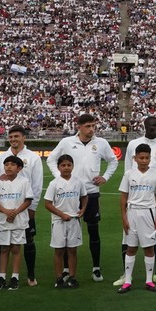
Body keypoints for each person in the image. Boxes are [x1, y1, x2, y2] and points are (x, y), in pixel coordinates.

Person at [48, 113, 117, 281]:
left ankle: (96, 268)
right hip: (71, 194)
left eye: (93, 126)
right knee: (66, 231)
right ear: (78, 126)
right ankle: (66, 269)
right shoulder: (67, 143)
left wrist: (105, 177)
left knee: (93, 230)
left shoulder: (101, 143)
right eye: (88, 126)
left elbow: (113, 161)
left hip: (91, 193)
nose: (91, 129)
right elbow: (51, 159)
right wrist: (60, 177)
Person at [0, 126, 44, 287]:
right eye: (11, 136)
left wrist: (33, 207)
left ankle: (30, 275)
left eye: (16, 136)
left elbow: (37, 185)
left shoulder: (33, 158)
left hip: (24, 207)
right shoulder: (1, 158)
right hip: (5, 208)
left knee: (28, 240)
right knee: (2, 242)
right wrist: (0, 179)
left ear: (24, 137)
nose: (13, 139)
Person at [125, 115, 156, 285]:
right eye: (153, 125)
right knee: (128, 232)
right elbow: (127, 170)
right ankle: (126, 275)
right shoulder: (133, 144)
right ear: (145, 126)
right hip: (135, 197)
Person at [117, 144, 156, 294]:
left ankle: (149, 280)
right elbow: (124, 197)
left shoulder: (155, 174)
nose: (144, 161)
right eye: (141, 158)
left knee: (149, 248)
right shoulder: (129, 174)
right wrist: (124, 217)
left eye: (147, 158)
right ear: (135, 158)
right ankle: (127, 281)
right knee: (131, 248)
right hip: (132, 213)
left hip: (148, 213)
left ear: (150, 158)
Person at [43, 153, 88, 288]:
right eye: (63, 165)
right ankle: (59, 278)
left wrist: (83, 209)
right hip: (58, 221)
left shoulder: (78, 182)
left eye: (69, 165)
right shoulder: (54, 183)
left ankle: (72, 277)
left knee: (72, 250)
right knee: (59, 251)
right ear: (58, 167)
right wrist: (61, 214)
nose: (66, 168)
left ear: (73, 166)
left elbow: (85, 197)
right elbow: (48, 203)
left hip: (74, 220)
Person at [0, 154, 34, 290]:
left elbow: (28, 200)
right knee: (4, 248)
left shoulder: (24, 182)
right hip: (4, 221)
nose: (8, 167)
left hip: (19, 220)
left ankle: (15, 277)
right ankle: (2, 277)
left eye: (12, 164)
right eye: (6, 164)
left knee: (16, 248)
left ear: (19, 168)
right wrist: (6, 212)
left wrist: (15, 212)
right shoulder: (0, 182)